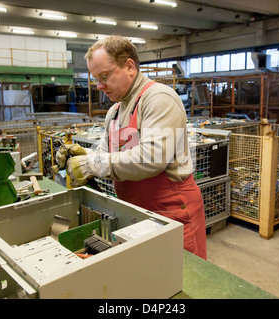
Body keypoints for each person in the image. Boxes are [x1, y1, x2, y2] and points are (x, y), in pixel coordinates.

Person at [63, 35, 207, 260]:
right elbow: (105, 154)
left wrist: (92, 164)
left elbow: (151, 158)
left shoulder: (158, 98)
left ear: (129, 66)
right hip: (135, 211)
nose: (99, 86)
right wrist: (84, 155)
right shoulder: (115, 111)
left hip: (171, 211)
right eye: (95, 79)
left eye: (104, 76)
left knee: (182, 280)